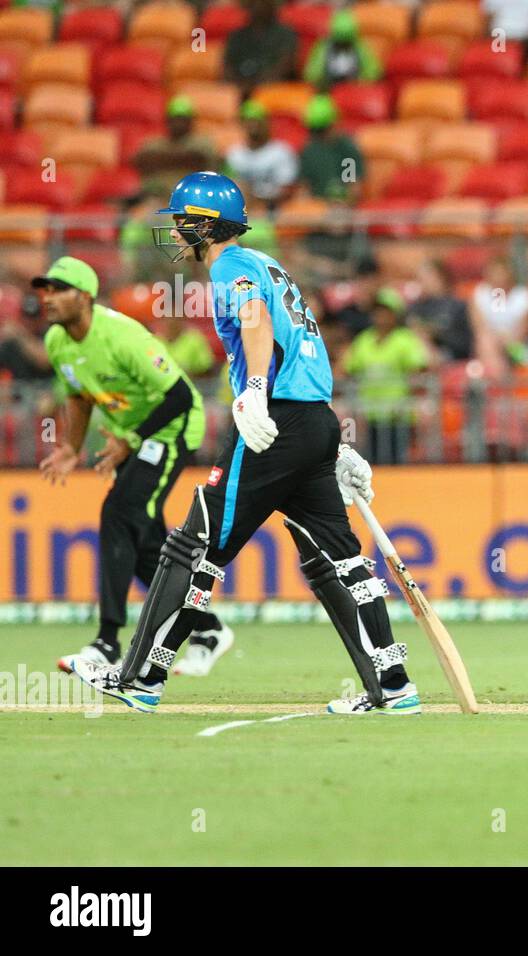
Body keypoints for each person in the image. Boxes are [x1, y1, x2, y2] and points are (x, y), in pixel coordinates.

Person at [69, 172, 419, 715]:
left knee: (195, 543)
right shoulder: (269, 264)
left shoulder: (231, 265)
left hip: (271, 423)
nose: (176, 232)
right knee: (340, 560)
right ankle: (392, 683)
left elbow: (255, 322)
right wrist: (329, 441)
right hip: (310, 420)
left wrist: (255, 391)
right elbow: (301, 340)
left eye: (183, 222)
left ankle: (141, 676)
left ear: (206, 227)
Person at [34, 256, 234, 679]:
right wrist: (71, 446)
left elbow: (180, 396)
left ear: (85, 297)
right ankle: (207, 628)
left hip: (172, 431)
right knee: (146, 544)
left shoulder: (121, 335)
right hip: (134, 437)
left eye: (59, 289)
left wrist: (131, 439)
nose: (48, 297)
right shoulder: (57, 340)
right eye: (45, 289)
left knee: (119, 514)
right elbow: (78, 394)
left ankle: (107, 643)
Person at [343, 287, 431, 465]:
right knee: (371, 461)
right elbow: (349, 369)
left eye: (386, 312)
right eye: (377, 312)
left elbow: (419, 369)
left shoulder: (404, 340)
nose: (381, 317)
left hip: (397, 414)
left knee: (397, 460)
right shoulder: (364, 340)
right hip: (370, 414)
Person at [132, 96, 220, 198]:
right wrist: (178, 159)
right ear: (167, 121)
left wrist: (161, 159)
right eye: (175, 119)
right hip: (156, 197)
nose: (178, 123)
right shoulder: (152, 143)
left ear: (191, 121)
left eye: (183, 119)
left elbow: (198, 159)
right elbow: (141, 161)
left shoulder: (203, 143)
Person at [225, 100, 299, 205]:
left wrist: (255, 200)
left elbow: (287, 190)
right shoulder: (234, 154)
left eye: (257, 121)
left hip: (274, 210)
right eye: (249, 121)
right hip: (242, 211)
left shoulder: (282, 152)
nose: (253, 126)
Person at [470, 256, 528, 371]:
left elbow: (521, 334)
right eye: (495, 273)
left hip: (517, 346)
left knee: (489, 345)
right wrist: (495, 339)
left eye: (501, 273)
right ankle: (502, 383)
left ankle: (501, 385)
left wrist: (503, 340)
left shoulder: (523, 296)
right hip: (487, 345)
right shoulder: (480, 294)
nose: (498, 277)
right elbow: (479, 328)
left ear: (510, 274)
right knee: (485, 342)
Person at [297, 95, 365, 201]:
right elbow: (304, 188)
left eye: (324, 129)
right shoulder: (309, 152)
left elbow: (353, 188)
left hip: (342, 208)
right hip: (317, 209)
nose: (321, 135)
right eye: (316, 131)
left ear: (334, 124)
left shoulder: (346, 149)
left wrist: (341, 202)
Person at [224, 0, 298, 96]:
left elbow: (285, 67)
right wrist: (239, 86)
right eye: (253, 2)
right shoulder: (236, 36)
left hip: (273, 90)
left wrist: (257, 87)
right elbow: (227, 66)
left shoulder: (285, 34)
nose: (257, 6)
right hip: (238, 89)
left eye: (262, 2)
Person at [407, 261, 475, 362]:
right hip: (418, 352)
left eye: (427, 277)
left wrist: (437, 333)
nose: (423, 283)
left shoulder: (458, 306)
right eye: (420, 279)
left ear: (441, 277)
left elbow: (466, 344)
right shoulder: (416, 307)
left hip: (449, 356)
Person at [303, 8, 381, 91]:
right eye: (339, 43)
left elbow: (374, 72)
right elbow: (312, 74)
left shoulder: (360, 47)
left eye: (346, 44)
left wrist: (360, 81)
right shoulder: (324, 47)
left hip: (355, 90)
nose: (343, 47)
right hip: (328, 91)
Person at [155, 313, 217, 379]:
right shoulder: (155, 341)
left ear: (183, 318)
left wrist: (187, 375)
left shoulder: (194, 338)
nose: (171, 321)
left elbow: (208, 371)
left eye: (175, 317)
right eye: (167, 317)